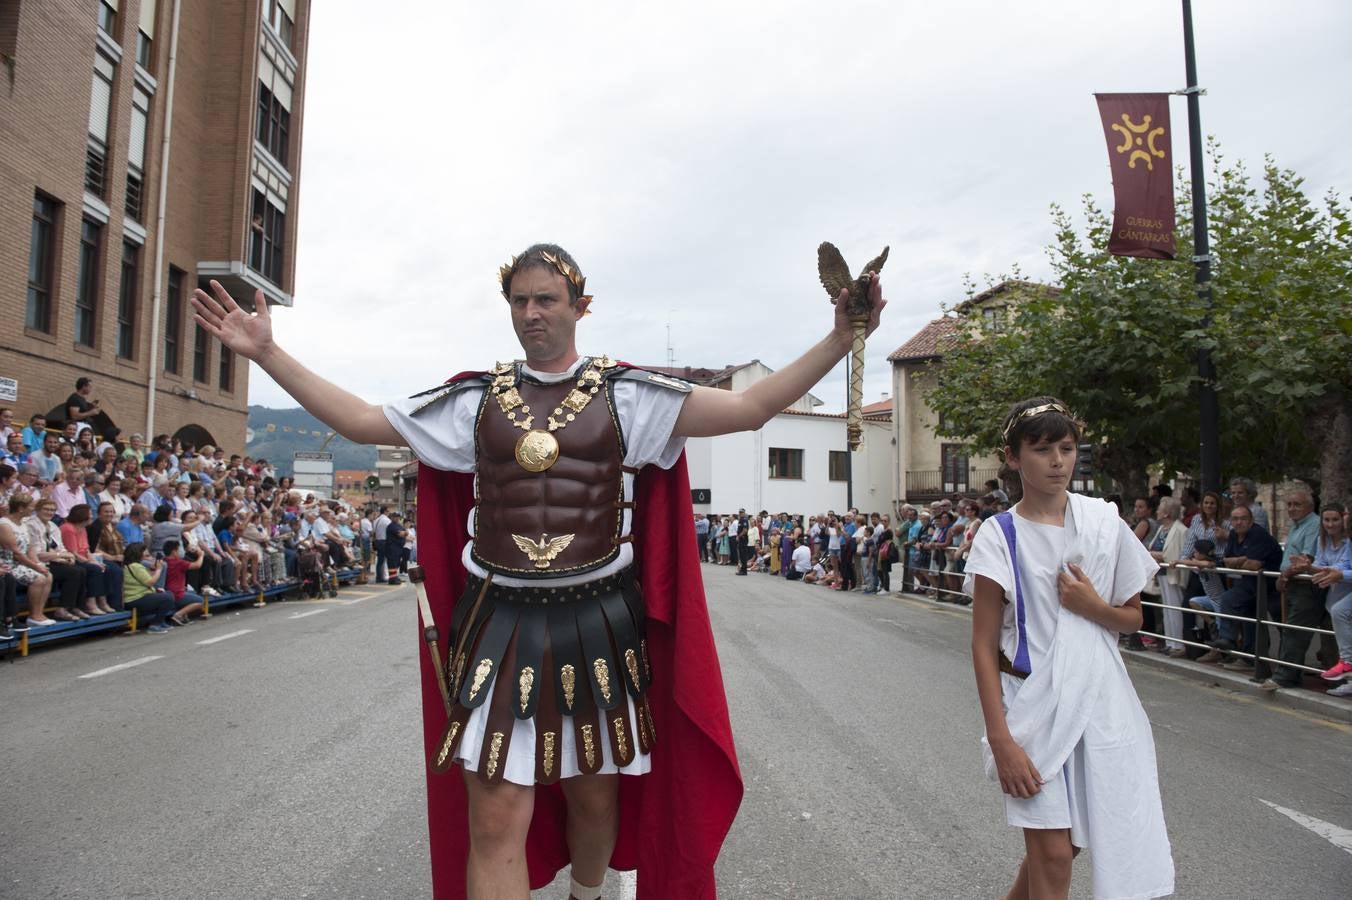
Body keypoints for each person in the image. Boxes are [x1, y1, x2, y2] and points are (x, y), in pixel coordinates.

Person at [193, 241, 885, 896]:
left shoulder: (631, 396)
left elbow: (751, 408)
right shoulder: (474, 401)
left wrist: (837, 338)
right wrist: (269, 354)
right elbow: (364, 420)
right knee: (492, 813)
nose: (532, 313)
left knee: (592, 795)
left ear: (580, 306)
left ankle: (588, 896)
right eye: (520, 301)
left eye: (547, 299)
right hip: (498, 623)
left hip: (600, 620)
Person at [964, 397, 1172, 900]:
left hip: (1098, 706)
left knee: (1067, 847)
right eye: (1042, 449)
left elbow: (1131, 617)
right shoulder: (1000, 535)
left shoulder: (1104, 523)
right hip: (1031, 706)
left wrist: (1089, 604)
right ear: (1013, 458)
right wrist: (1001, 740)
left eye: (1067, 448)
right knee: (1053, 855)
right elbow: (983, 645)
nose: (1058, 461)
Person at [1196, 506, 1283, 671]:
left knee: (1230, 599)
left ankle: (1229, 639)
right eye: (1235, 519)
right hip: (1250, 583)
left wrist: (1241, 561)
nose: (1238, 522)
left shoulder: (1258, 535)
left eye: (1243, 518)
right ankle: (1250, 658)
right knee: (1249, 619)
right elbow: (1229, 559)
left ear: (1250, 521)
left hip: (1270, 586)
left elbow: (1254, 564)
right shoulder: (1234, 535)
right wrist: (1241, 559)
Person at [1267, 484, 1324, 691]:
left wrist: (1284, 575)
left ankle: (1284, 676)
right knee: (1289, 630)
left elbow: (1305, 558)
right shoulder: (1296, 526)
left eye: (1297, 505)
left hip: (1305, 586)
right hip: (1292, 584)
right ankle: (1291, 673)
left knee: (1295, 632)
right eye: (1289, 504)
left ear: (1309, 506)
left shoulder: (1314, 525)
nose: (1291, 509)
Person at [1310, 503, 1352, 696]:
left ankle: (1347, 663)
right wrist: (1308, 566)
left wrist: (1339, 574)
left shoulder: (1348, 540)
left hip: (1345, 595)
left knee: (1339, 612)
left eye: (1336, 519)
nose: (1331, 523)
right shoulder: (1323, 540)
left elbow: (1341, 568)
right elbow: (1326, 564)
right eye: (1327, 519)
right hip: (1335, 594)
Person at [1150, 496, 1191, 657]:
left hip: (1173, 575)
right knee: (1167, 609)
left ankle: (1178, 644)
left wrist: (1155, 554)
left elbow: (1176, 554)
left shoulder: (1180, 530)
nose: (1157, 511)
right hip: (1162, 574)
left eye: (1160, 508)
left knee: (1175, 608)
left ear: (1166, 513)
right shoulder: (1161, 529)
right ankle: (1169, 641)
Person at [121, 543, 175, 633]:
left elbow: (148, 577)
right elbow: (150, 582)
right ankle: (155, 625)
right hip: (135, 599)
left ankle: (160, 621)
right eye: (144, 551)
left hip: (139, 597)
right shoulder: (135, 566)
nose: (147, 553)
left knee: (168, 595)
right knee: (167, 598)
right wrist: (158, 569)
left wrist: (156, 568)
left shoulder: (134, 565)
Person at [159, 540, 205, 624]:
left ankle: (184, 617)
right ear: (173, 551)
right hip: (177, 594)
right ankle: (178, 615)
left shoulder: (164, 561)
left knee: (192, 592)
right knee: (200, 601)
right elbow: (197, 565)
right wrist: (201, 555)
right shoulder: (178, 562)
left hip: (168, 592)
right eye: (178, 549)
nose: (179, 551)